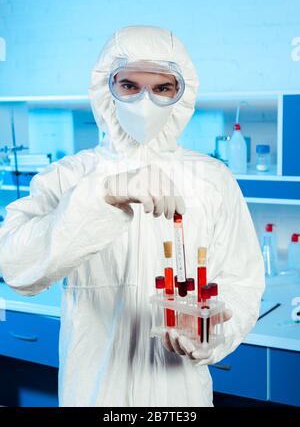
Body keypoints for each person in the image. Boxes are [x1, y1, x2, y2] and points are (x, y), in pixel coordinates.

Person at [0, 25, 264, 407]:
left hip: (181, 397)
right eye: (129, 86)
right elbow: (15, 266)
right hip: (93, 391)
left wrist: (212, 335)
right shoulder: (71, 175)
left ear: (182, 93)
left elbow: (241, 283)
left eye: (161, 89)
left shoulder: (212, 179)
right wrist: (101, 196)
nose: (144, 102)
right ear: (105, 89)